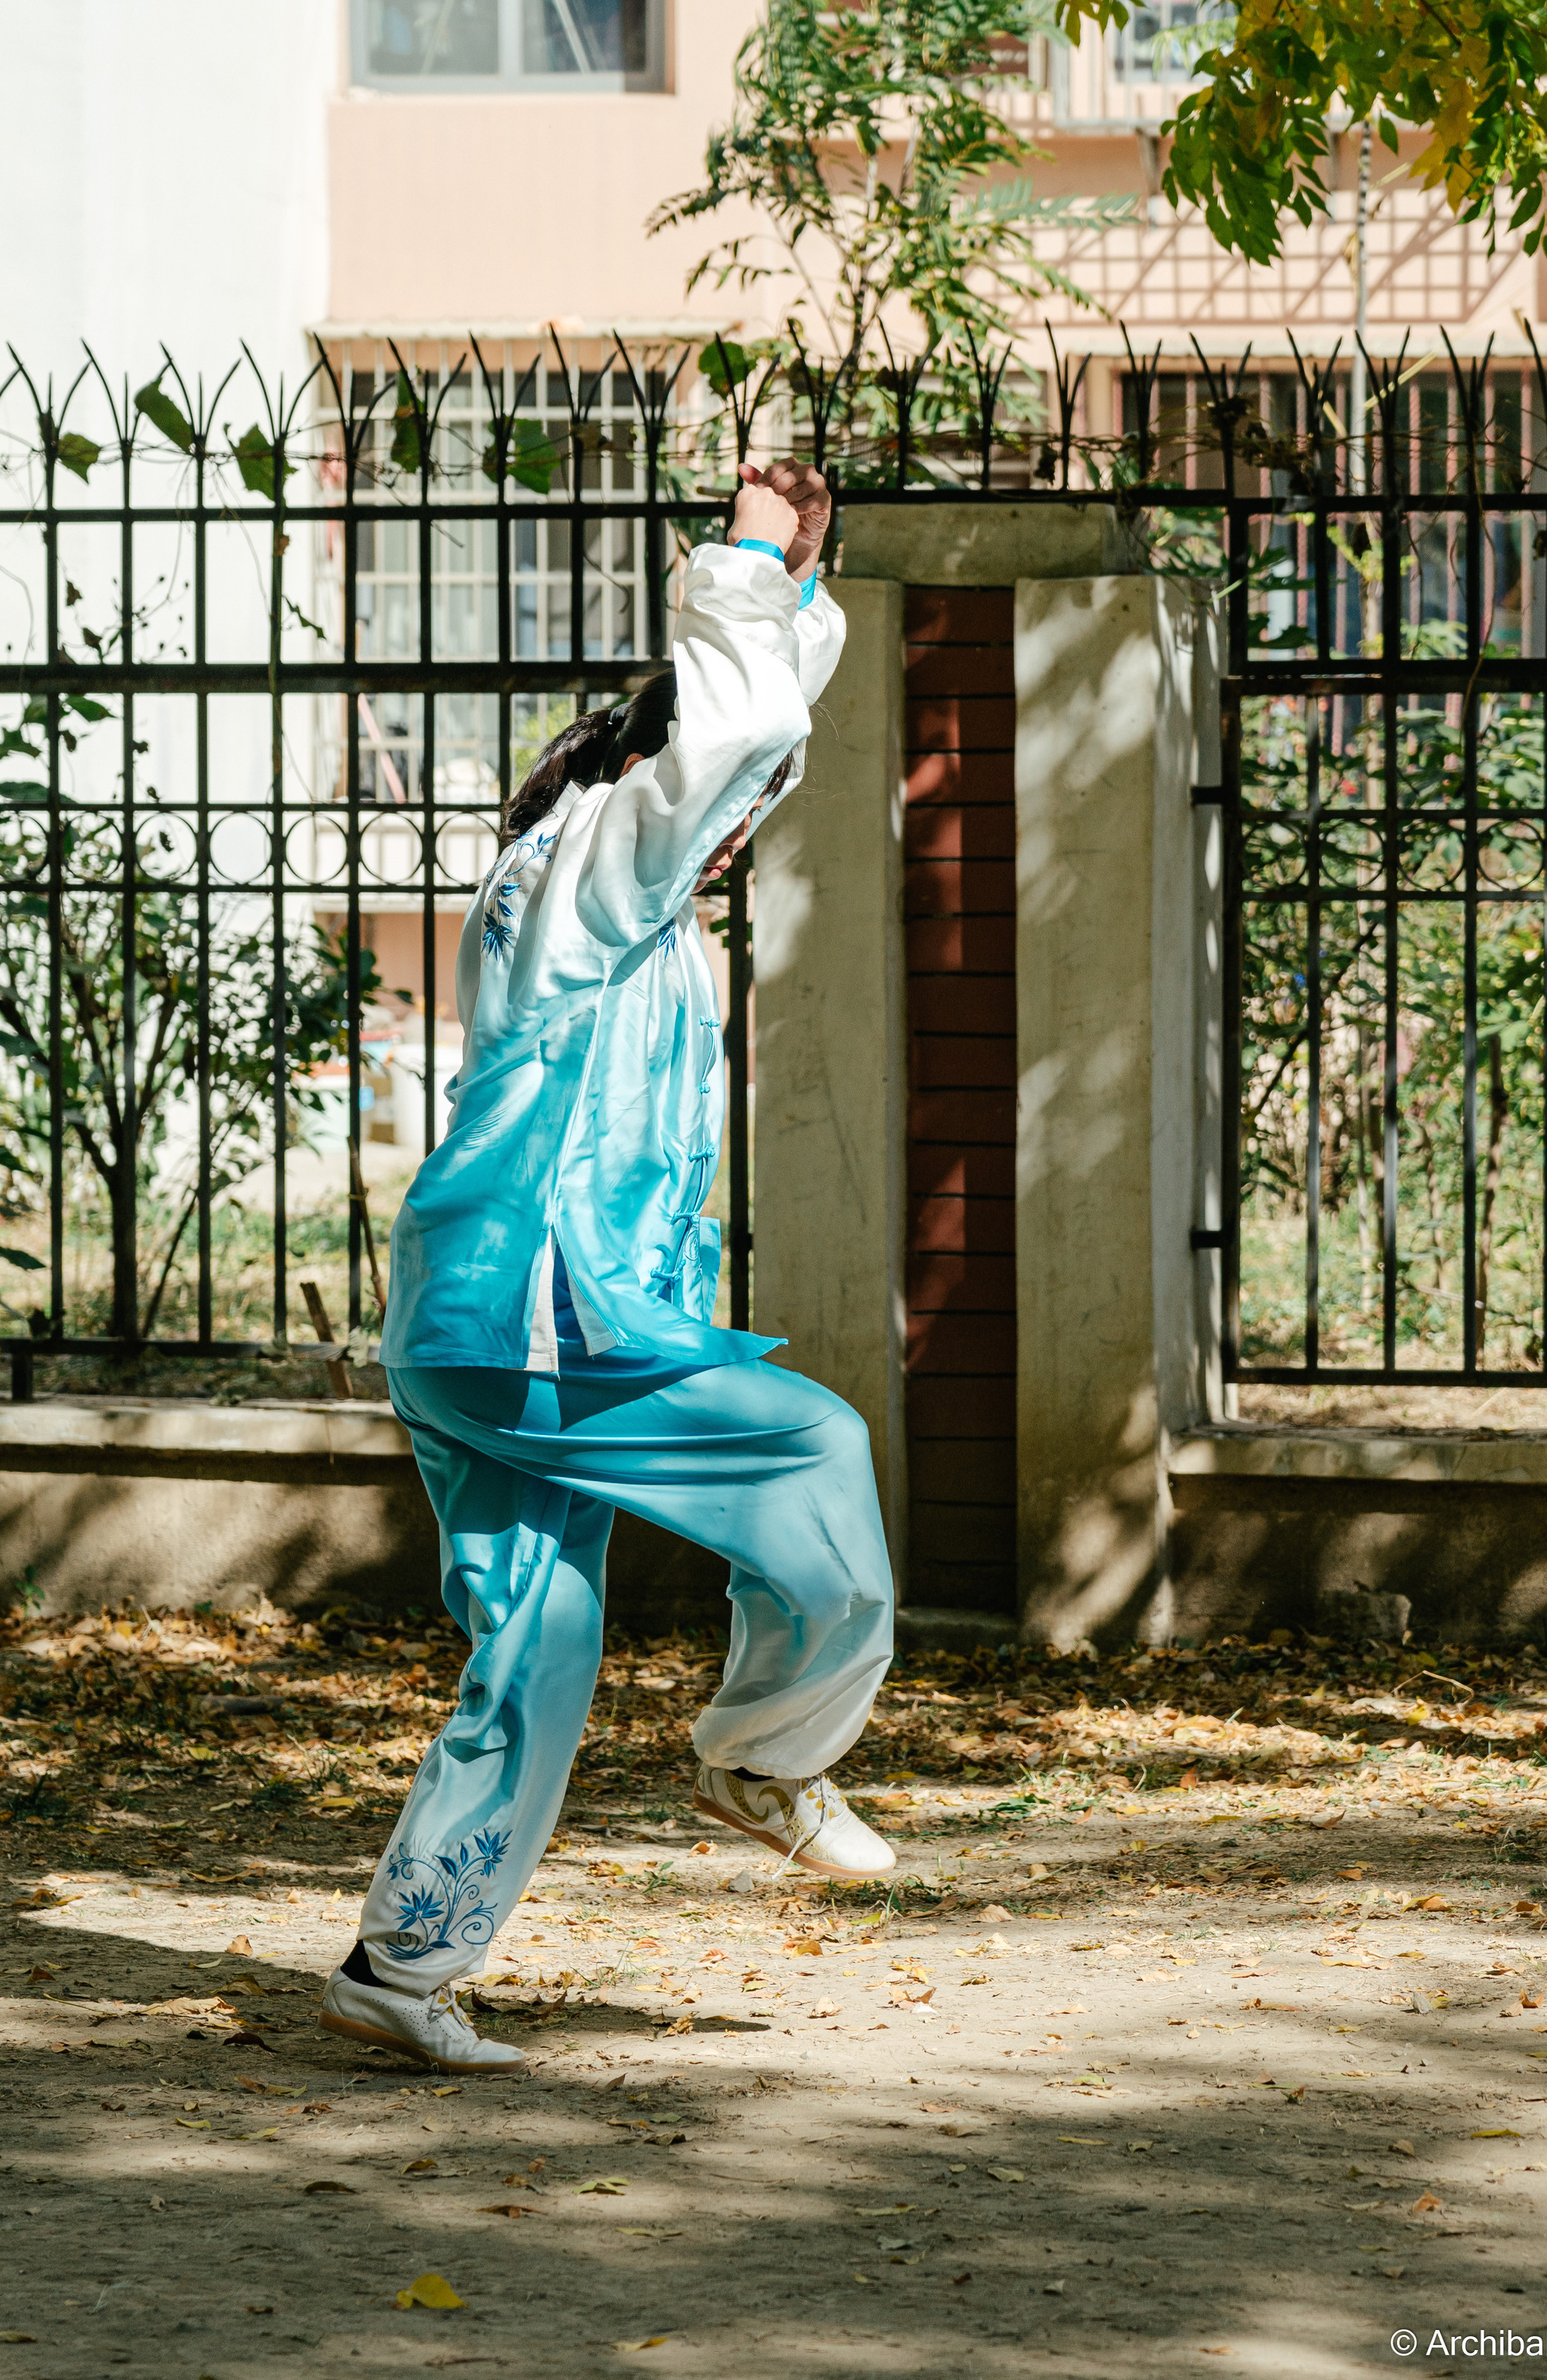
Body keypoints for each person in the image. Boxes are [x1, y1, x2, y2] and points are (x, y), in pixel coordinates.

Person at [319, 461, 898, 2077]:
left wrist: (794, 586)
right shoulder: (601, 867)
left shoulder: (585, 887)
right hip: (540, 1321)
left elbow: (749, 737)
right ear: (662, 778)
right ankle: (763, 1755)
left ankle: (398, 1965)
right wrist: (747, 561)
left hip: (475, 1321)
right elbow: (732, 740)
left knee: (537, 1647)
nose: (732, 847)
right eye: (724, 826)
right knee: (818, 1452)